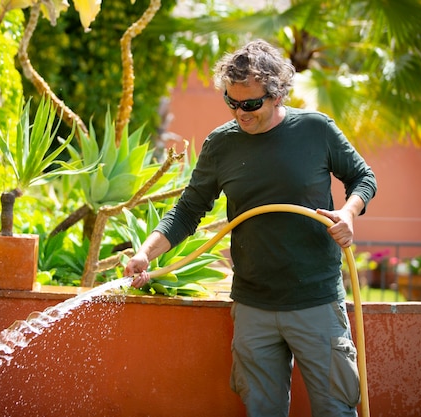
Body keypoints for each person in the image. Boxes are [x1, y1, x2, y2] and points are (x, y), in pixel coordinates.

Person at [124, 39, 377, 417]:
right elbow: (189, 209)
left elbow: (363, 177)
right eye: (231, 102)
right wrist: (146, 253)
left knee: (336, 410)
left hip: (316, 301)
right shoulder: (220, 145)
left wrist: (348, 213)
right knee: (261, 411)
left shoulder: (315, 130)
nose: (240, 113)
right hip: (253, 306)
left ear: (276, 96)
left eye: (251, 104)